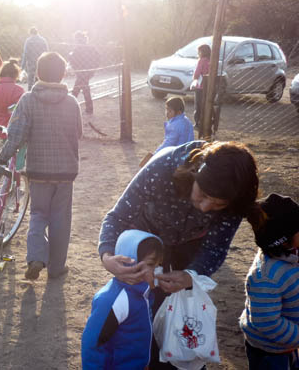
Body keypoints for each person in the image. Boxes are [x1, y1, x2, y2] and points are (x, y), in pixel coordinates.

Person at [98, 140, 259, 369]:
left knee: (184, 318)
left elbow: (215, 248)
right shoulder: (162, 170)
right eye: (202, 195)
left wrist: (192, 274)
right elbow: (117, 217)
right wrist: (107, 257)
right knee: (143, 312)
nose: (204, 208)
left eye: (217, 205)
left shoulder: (235, 195)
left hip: (190, 245)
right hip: (148, 241)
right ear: (194, 174)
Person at [0, 52, 83, 280]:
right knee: (60, 219)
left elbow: (15, 135)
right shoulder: (72, 102)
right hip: (65, 171)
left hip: (38, 172)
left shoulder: (27, 100)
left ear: (37, 73)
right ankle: (56, 268)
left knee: (38, 214)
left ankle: (36, 258)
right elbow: (79, 134)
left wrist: (4, 157)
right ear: (63, 74)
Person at [81, 230, 164, 369]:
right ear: (129, 262)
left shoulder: (146, 293)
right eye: (150, 264)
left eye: (158, 264)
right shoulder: (113, 299)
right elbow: (93, 344)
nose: (156, 270)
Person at [240, 193, 299, 370]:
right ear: (284, 241)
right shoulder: (266, 277)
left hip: (289, 342)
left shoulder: (290, 253)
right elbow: (268, 323)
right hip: (271, 352)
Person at [139, 97, 195, 167]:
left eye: (170, 111)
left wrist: (155, 155)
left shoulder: (175, 125)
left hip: (177, 157)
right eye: (167, 110)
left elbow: (168, 143)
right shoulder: (186, 120)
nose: (167, 113)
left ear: (179, 112)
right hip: (187, 153)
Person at [0, 59, 25, 140]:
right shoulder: (19, 90)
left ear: (1, 74)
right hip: (17, 129)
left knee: (6, 147)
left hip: (1, 128)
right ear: (16, 75)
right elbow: (22, 111)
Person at [69, 31, 100, 114]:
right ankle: (89, 109)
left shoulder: (78, 49)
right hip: (87, 72)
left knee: (77, 89)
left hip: (81, 72)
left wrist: (74, 67)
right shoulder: (91, 48)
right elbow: (98, 58)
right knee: (83, 88)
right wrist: (93, 70)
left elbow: (73, 60)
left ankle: (71, 106)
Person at [192, 44, 211, 130]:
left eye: (199, 51)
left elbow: (197, 73)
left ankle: (197, 122)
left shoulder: (201, 61)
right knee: (206, 105)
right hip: (209, 87)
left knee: (198, 105)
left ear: (202, 52)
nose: (198, 53)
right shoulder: (211, 60)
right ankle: (206, 121)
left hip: (200, 86)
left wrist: (194, 78)